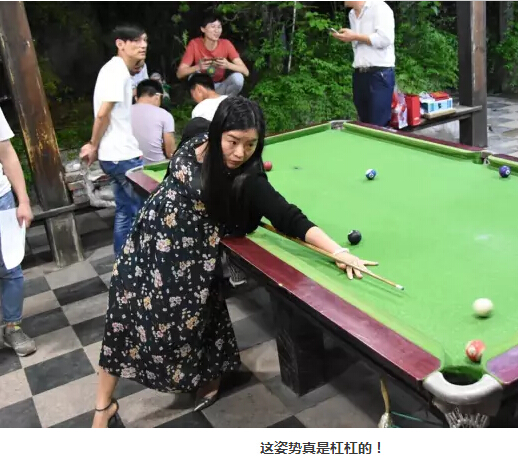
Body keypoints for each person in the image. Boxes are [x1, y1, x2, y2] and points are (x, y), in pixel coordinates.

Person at [91, 97, 377, 428]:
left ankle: (210, 376)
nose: (240, 153)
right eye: (233, 141)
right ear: (216, 133)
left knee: (178, 330)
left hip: (186, 265)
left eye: (250, 144)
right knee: (120, 317)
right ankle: (103, 406)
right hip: (144, 245)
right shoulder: (196, 134)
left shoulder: (248, 179)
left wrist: (338, 251)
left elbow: (288, 216)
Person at [80, 25, 148, 255]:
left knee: (124, 212)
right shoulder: (117, 71)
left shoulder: (115, 70)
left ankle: (122, 262)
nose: (142, 45)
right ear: (120, 44)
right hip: (122, 156)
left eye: (144, 40)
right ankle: (140, 263)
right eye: (136, 41)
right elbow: (103, 114)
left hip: (114, 156)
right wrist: (93, 144)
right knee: (142, 212)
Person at [0, 107, 36, 357]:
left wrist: (23, 200)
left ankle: (12, 327)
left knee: (10, 267)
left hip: (1, 199)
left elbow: (6, 153)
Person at [332, 1, 396, 127]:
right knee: (364, 123)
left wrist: (355, 36)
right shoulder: (352, 14)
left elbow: (385, 39)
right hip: (359, 74)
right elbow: (357, 44)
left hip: (379, 74)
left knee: (378, 124)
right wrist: (350, 38)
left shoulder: (380, 7)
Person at [176, 16, 250, 97]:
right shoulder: (194, 44)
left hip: (220, 86)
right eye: (213, 26)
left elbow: (246, 71)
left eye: (219, 27)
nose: (216, 30)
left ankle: (225, 102)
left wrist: (228, 65)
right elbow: (179, 73)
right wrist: (198, 67)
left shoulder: (226, 44)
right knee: (193, 76)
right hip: (204, 88)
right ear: (203, 29)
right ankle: (205, 102)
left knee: (238, 78)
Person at [131, 79, 176, 164]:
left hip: (129, 164)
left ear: (136, 98)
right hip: (156, 166)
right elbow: (170, 152)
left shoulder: (124, 113)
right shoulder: (164, 115)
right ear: (157, 96)